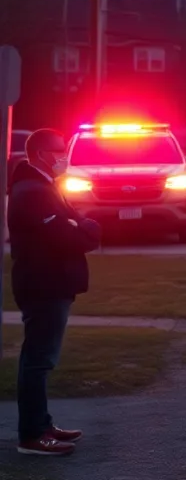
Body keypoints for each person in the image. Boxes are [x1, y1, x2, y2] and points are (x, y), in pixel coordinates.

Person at [9, 128, 101, 456]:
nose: (64, 156)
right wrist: (88, 229)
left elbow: (72, 224)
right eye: (59, 151)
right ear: (41, 154)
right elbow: (65, 236)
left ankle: (42, 424)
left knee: (39, 360)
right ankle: (32, 436)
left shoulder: (44, 185)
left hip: (51, 282)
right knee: (38, 361)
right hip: (43, 284)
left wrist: (80, 226)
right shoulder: (32, 191)